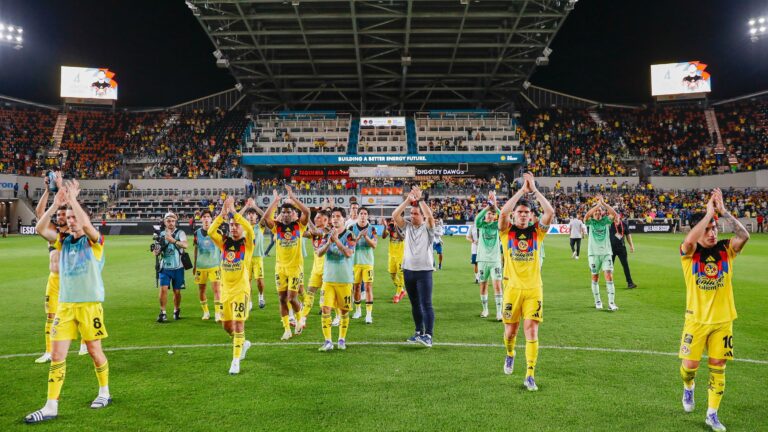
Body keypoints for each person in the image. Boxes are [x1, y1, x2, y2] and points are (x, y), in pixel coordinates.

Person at [26, 181, 111, 423]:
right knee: (57, 355)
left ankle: (104, 392)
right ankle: (51, 406)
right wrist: (55, 205)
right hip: (65, 306)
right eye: (69, 217)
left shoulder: (94, 242)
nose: (71, 221)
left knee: (94, 351)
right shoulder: (63, 241)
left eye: (74, 217)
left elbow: (87, 226)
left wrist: (72, 199)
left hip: (89, 307)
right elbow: (40, 229)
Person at [678, 189, 749, 432]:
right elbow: (689, 242)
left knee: (718, 365)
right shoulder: (690, 253)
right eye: (707, 229)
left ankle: (712, 414)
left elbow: (744, 236)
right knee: (689, 368)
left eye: (715, 228)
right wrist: (708, 214)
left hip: (723, 321)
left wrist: (723, 211)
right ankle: (689, 387)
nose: (713, 233)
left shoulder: (726, 249)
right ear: (698, 230)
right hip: (696, 320)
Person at [498, 172, 554, 392]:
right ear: (515, 214)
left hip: (533, 290)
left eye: (526, 212)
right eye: (519, 212)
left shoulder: (537, 232)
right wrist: (522, 190)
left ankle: (530, 374)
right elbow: (503, 212)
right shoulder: (507, 231)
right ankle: (510, 353)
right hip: (512, 289)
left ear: (531, 215)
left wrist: (535, 190)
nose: (522, 215)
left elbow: (550, 212)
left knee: (531, 331)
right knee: (510, 333)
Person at [34, 172, 87, 362]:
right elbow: (40, 214)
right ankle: (49, 351)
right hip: (54, 280)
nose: (60, 216)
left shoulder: (75, 233)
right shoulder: (53, 233)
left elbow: (82, 220)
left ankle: (84, 344)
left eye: (63, 214)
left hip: (72, 279)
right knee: (51, 315)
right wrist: (49, 191)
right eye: (58, 214)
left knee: (79, 312)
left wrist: (70, 198)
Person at [208, 197, 256, 375]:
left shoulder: (247, 244)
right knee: (227, 326)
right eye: (231, 225)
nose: (234, 227)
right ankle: (243, 343)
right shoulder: (224, 243)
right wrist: (222, 214)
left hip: (241, 291)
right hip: (225, 292)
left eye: (237, 225)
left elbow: (249, 229)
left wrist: (235, 213)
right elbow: (211, 231)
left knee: (238, 324)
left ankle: (235, 361)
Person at [263, 186, 310, 340]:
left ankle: (299, 319)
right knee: (282, 299)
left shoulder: (299, 226)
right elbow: (265, 218)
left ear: (293, 213)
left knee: (291, 298)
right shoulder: (277, 227)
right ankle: (287, 329)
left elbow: (307, 212)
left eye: (288, 212)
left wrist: (293, 198)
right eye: (283, 212)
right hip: (280, 268)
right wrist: (275, 201)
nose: (285, 214)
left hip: (295, 268)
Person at [392, 186, 435, 348]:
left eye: (416, 214)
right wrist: (407, 201)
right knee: (415, 304)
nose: (412, 215)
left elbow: (430, 217)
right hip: (408, 271)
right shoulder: (408, 227)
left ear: (422, 216)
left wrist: (420, 200)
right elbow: (395, 215)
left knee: (426, 304)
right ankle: (418, 332)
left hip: (424, 271)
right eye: (411, 213)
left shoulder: (428, 228)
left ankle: (428, 335)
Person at [316, 207, 357, 351]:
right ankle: (328, 341)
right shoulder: (326, 235)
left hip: (345, 280)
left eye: (338, 216)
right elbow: (319, 253)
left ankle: (341, 339)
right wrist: (329, 242)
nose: (335, 219)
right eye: (333, 216)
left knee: (344, 311)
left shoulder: (350, 235)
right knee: (325, 308)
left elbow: (348, 253)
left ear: (344, 219)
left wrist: (337, 241)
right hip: (328, 279)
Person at [297, 209, 332, 333]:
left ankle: (339, 316)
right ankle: (302, 319)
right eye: (315, 217)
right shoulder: (314, 233)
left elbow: (316, 231)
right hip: (316, 269)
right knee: (310, 293)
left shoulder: (328, 231)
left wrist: (307, 217)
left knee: (327, 297)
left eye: (318, 217)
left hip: (328, 269)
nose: (315, 219)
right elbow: (302, 233)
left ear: (325, 220)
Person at [584, 195, 618, 311]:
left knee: (609, 276)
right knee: (595, 277)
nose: (598, 212)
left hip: (606, 253)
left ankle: (611, 303)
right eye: (596, 211)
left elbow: (614, 214)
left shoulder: (606, 221)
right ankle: (598, 301)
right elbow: (586, 216)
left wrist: (603, 204)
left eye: (600, 211)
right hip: (593, 254)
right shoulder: (590, 222)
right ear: (593, 213)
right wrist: (597, 205)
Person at [152, 212, 188, 322]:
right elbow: (156, 250)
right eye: (168, 221)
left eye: (173, 221)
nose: (171, 223)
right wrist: (156, 252)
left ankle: (176, 310)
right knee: (163, 290)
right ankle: (163, 313)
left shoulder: (180, 233)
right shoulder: (160, 234)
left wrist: (173, 240)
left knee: (177, 292)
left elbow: (185, 245)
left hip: (178, 267)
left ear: (175, 222)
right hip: (164, 267)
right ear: (164, 222)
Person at [475, 191, 503, 320]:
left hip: (495, 260)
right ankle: (485, 310)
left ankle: (499, 312)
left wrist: (495, 206)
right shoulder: (481, 225)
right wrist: (488, 206)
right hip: (482, 260)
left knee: (497, 285)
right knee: (483, 285)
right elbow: (477, 218)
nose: (491, 215)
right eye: (489, 213)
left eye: (492, 214)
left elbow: (503, 216)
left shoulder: (497, 226)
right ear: (485, 215)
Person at [193, 209, 222, 321]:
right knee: (201, 290)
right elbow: (196, 249)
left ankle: (218, 313)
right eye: (204, 217)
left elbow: (223, 249)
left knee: (217, 289)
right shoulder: (197, 233)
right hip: (201, 266)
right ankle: (206, 312)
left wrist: (222, 264)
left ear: (211, 219)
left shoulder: (217, 232)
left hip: (214, 265)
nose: (206, 219)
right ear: (201, 219)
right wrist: (195, 265)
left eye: (208, 217)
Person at [351, 206, 377, 323]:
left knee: (368, 287)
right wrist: (358, 237)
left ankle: (369, 314)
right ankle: (358, 311)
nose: (362, 215)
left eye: (365, 213)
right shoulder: (351, 228)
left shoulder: (372, 229)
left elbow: (374, 245)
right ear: (357, 215)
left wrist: (365, 236)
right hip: (355, 263)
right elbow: (349, 245)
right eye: (361, 213)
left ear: (368, 216)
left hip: (368, 263)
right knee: (356, 287)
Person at [242, 205, 267, 310]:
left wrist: (255, 206)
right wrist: (245, 206)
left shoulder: (259, 226)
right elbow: (236, 217)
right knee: (247, 282)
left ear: (256, 216)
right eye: (249, 214)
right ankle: (249, 301)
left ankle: (261, 296)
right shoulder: (243, 227)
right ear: (247, 216)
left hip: (257, 258)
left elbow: (266, 215)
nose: (251, 216)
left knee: (259, 281)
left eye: (253, 214)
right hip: (246, 258)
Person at [381, 218, 406, 303]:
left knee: (401, 275)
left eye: (394, 220)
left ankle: (397, 295)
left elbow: (402, 238)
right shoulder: (390, 228)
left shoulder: (403, 227)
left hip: (400, 256)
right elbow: (383, 236)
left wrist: (396, 228)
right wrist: (385, 226)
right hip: (392, 255)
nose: (392, 222)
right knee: (392, 275)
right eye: (392, 220)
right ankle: (402, 290)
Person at [609, 214, 637, 289]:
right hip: (611, 248)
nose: (616, 218)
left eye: (617, 216)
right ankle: (609, 282)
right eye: (614, 216)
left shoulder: (624, 224)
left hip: (621, 248)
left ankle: (630, 283)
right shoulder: (610, 224)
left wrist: (631, 245)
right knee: (610, 266)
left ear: (620, 217)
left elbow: (628, 235)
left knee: (625, 265)